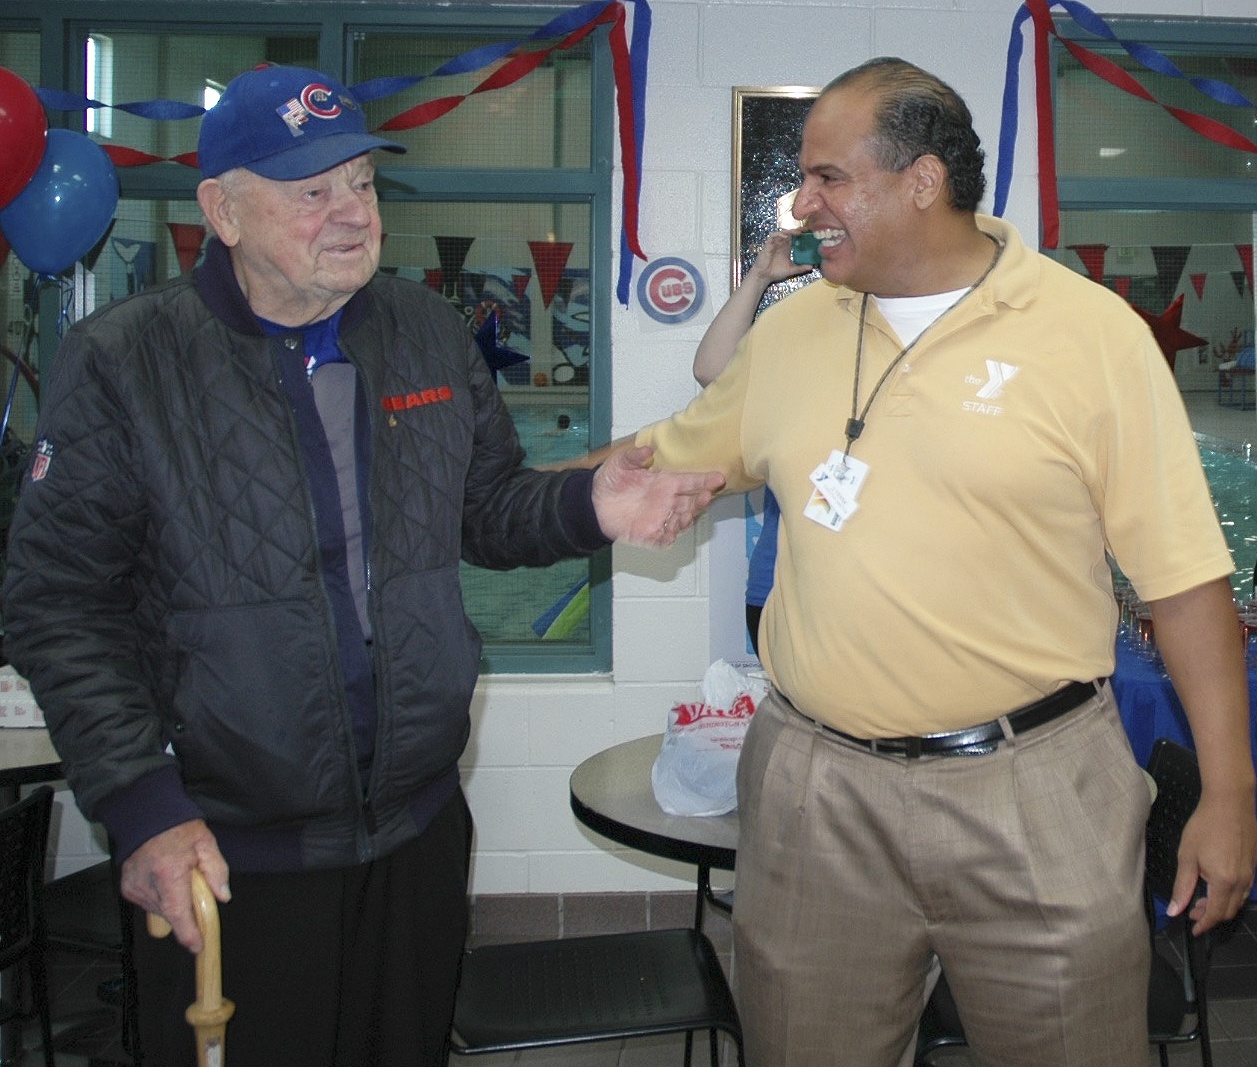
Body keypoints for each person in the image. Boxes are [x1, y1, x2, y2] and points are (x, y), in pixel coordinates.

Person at [0, 63, 721, 1067]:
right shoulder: (127, 360)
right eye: (311, 190)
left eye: (362, 183)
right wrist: (142, 808)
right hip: (226, 849)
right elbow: (57, 603)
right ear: (223, 211)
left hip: (415, 832)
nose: (350, 212)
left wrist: (590, 504)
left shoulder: (424, 331)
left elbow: (485, 510)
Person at [636, 57, 1257, 1066]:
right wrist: (491, 492)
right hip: (817, 793)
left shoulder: (1089, 334)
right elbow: (657, 460)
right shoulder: (792, 333)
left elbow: (1186, 581)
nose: (803, 203)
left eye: (828, 177)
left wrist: (1229, 796)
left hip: (1037, 788)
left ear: (922, 181)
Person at [692, 231, 811, 651]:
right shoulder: (801, 370)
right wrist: (760, 276)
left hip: (874, 596)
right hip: (780, 593)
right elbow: (711, 370)